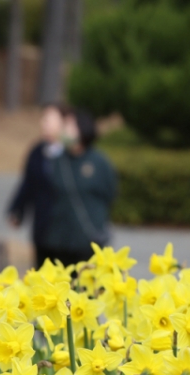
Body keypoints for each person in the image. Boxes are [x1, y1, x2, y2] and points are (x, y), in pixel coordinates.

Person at [40, 109, 118, 270]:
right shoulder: (56, 160)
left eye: (69, 126)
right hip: (59, 239)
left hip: (88, 237)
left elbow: (110, 193)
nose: (64, 131)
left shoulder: (99, 161)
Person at [7, 103, 66, 269]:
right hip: (42, 223)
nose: (43, 124)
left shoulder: (72, 154)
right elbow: (28, 183)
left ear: (63, 123)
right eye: (43, 119)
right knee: (42, 267)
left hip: (66, 229)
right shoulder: (38, 151)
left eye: (48, 120)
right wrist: (17, 210)